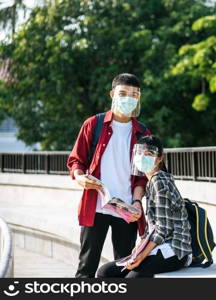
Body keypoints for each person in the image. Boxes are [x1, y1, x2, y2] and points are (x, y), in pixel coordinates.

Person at [67, 73, 151, 278]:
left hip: (127, 209)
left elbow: (142, 176)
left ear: (138, 97)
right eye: (123, 93)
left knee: (122, 268)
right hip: (96, 205)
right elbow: (76, 160)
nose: (128, 98)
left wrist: (138, 202)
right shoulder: (93, 125)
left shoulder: (142, 132)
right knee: (86, 267)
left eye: (134, 94)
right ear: (112, 94)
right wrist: (79, 177)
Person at [96, 136, 193, 278]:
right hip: (158, 246)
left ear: (160, 159)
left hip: (175, 250)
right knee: (105, 272)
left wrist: (140, 257)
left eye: (149, 154)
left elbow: (163, 229)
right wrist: (139, 248)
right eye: (140, 153)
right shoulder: (151, 181)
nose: (142, 157)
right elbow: (154, 226)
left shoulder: (159, 181)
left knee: (132, 277)